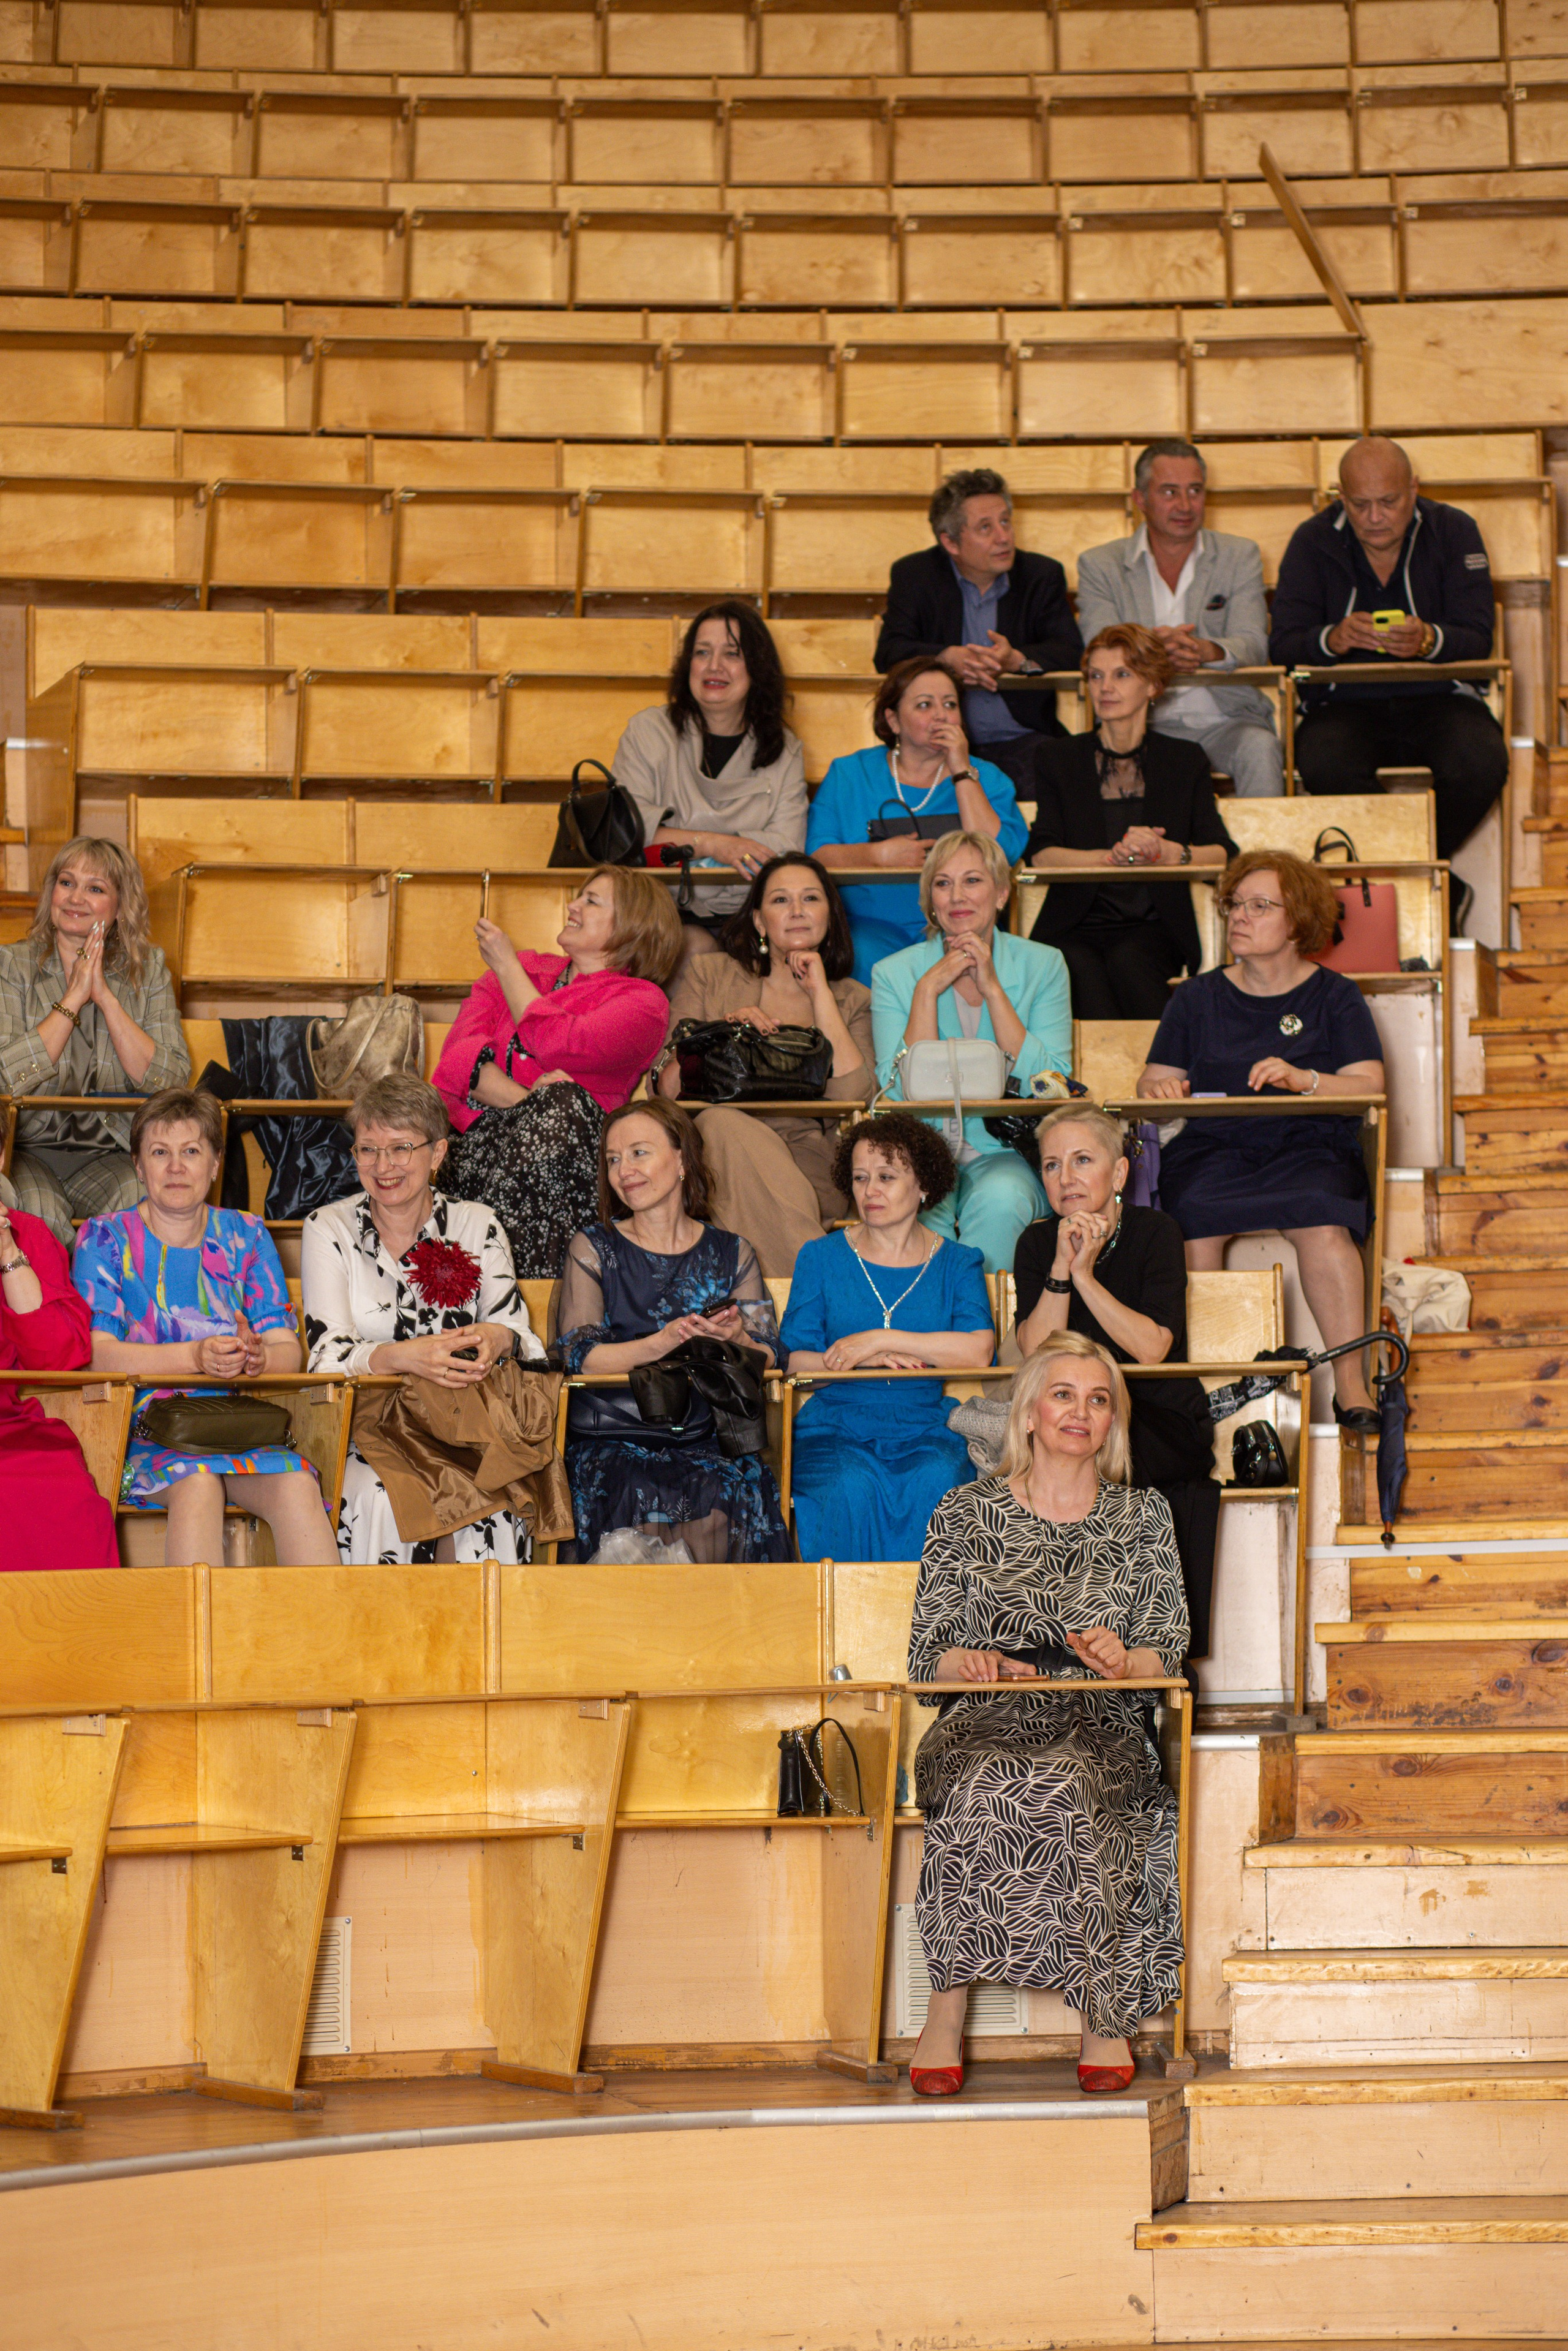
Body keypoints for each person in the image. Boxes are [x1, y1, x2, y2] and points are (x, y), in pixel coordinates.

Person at [906, 1335, 1186, 2097]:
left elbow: (1168, 1653)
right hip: (985, 1716)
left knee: (1072, 1779)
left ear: (1111, 1424)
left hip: (1101, 1716)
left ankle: (1106, 2015)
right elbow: (926, 1656)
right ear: (1027, 1413)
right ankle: (943, 2013)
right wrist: (966, 1660)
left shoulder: (1143, 1515)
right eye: (1063, 1394)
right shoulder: (964, 1513)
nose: (1080, 1411)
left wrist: (1124, 1661)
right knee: (984, 1780)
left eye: (1098, 1400)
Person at [1137, 850, 1386, 1430]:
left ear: (1297, 920)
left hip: (1309, 1145)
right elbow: (1155, 1077)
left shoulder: (1334, 995)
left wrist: (1307, 1081)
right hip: (1213, 1148)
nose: (1238, 917)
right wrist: (1161, 1089)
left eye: (1258, 906)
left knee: (1324, 1219)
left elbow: (1370, 1085)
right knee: (1190, 1215)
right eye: (1233, 905)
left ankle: (1352, 1385)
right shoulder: (1194, 998)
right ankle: (1207, 1382)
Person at [72, 1088, 338, 1567]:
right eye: (160, 1153)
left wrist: (258, 1359)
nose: (176, 1167)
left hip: (235, 1428)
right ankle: (193, 1642)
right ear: (138, 1166)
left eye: (191, 1152)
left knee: (300, 1483)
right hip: (140, 1430)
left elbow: (287, 1352)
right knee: (198, 1485)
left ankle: (322, 1638)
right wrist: (195, 1358)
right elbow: (98, 1354)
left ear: (216, 1164)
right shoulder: (104, 1236)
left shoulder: (247, 1233)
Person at [301, 1074, 549, 1564]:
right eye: (368, 1150)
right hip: (368, 1426)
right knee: (378, 1496)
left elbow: (522, 1336)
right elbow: (325, 1357)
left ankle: (480, 1638)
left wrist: (494, 1338)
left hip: (466, 1421)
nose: (383, 1166)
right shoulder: (327, 1227)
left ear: (437, 1154)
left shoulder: (478, 1223)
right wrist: (405, 1358)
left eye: (401, 1148)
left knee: (494, 1501)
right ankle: (387, 1639)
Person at [1014, 1107, 1218, 1659]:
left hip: (1156, 1415)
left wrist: (1087, 1274)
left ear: (1121, 1174)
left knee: (1122, 1467)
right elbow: (1037, 1353)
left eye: (1083, 1160)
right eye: (1052, 1166)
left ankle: (1146, 1655)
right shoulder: (1036, 1245)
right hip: (1071, 1417)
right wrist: (1062, 1267)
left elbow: (1153, 1348)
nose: (1066, 1177)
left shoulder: (1156, 1231)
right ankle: (1054, 1647)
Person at [557, 1100, 790, 1563]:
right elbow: (579, 1356)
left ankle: (710, 1633)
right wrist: (663, 1342)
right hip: (615, 1435)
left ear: (683, 1159)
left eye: (639, 1153)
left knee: (728, 1486)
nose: (624, 1170)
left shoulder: (732, 1251)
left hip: (708, 1435)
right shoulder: (594, 1247)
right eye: (613, 1159)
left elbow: (771, 1356)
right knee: (627, 1483)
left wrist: (738, 1339)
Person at [1269, 434, 1507, 870]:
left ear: (1414, 489)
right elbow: (1283, 645)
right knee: (1324, 764)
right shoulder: (1313, 540)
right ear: (1341, 496)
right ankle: (1426, 876)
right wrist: (1331, 639)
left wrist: (1429, 640)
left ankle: (1414, 867)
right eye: (1360, 505)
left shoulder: (1453, 530)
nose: (1375, 517)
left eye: (1389, 501)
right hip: (1344, 705)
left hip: (1440, 698)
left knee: (1482, 763)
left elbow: (1478, 636)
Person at [432, 865, 680, 1280]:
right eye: (579, 896)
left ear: (633, 925)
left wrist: (506, 967)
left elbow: (560, 1042)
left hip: (574, 1168)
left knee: (564, 1105)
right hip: (480, 1151)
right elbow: (457, 1062)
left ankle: (499, 1287)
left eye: (591, 901)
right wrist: (531, 1102)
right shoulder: (528, 967)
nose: (573, 905)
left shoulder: (643, 1002)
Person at [780, 1114, 994, 1564]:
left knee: (937, 1477)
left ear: (923, 1186)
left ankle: (931, 1629)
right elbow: (797, 1363)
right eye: (860, 1178)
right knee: (849, 1483)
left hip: (926, 1425)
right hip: (836, 1426)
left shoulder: (959, 1261)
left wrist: (879, 1340)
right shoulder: (820, 1256)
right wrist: (859, 1361)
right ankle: (849, 1627)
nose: (870, 1190)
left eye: (886, 1177)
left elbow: (978, 1349)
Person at [655, 855, 874, 1277]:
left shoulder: (852, 997)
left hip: (809, 1157)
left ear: (830, 914)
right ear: (758, 921)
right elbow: (667, 1086)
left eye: (810, 898)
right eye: (780, 900)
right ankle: (821, 1286)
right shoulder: (711, 974)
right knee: (722, 1126)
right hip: (712, 1151)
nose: (796, 910)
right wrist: (721, 1035)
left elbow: (851, 1095)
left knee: (734, 1145)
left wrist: (819, 992)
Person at [871, 831, 1072, 1274]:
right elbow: (896, 1094)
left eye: (972, 881)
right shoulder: (894, 973)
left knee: (1002, 1201)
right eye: (942, 884)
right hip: (919, 1151)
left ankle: (978, 1334)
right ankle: (924, 1334)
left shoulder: (1044, 964)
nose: (957, 896)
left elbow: (1052, 1083)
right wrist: (927, 991)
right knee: (913, 1211)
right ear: (930, 900)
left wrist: (993, 990)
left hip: (1006, 1151)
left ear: (1002, 893)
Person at [1026, 625, 1235, 1020]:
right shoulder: (1058, 757)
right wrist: (1112, 858)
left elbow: (1223, 852)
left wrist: (1173, 852)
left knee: (1131, 960)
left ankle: (1162, 1076)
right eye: (1096, 676)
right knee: (1078, 967)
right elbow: (1041, 854)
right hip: (1075, 924)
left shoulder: (1185, 759)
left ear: (1153, 684)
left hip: (1155, 926)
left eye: (1122, 674)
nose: (1105, 687)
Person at [0, 837, 190, 1247]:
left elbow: (170, 1081)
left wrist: (103, 996)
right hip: (26, 1150)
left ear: (120, 907)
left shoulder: (148, 970)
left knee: (143, 1200)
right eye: (67, 883)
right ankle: (55, 1311)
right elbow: (5, 1079)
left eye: (96, 888)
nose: (76, 898)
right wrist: (72, 999)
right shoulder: (11, 966)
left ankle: (115, 1309)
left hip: (113, 1149)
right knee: (36, 1212)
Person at [1076, 439, 1283, 799]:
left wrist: (1207, 650)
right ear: (1139, 499)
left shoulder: (1240, 556)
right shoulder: (1100, 565)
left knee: (1261, 749)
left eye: (1195, 491)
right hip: (1137, 722)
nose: (1185, 506)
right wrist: (1156, 651)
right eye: (1170, 492)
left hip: (1228, 720)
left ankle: (1267, 858)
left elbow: (1253, 643)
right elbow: (1099, 646)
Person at [807, 657, 1029, 984]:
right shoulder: (849, 774)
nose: (941, 715)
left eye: (950, 705)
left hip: (960, 925)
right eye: (925, 705)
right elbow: (817, 857)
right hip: (868, 928)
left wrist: (961, 769)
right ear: (893, 720)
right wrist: (878, 856)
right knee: (860, 953)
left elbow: (1001, 855)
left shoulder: (988, 778)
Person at [873, 467, 1082, 798]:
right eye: (986, 528)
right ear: (951, 542)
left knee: (1066, 779)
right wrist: (943, 658)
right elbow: (888, 652)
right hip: (934, 742)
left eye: (1006, 522)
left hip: (1023, 739)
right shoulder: (915, 576)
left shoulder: (1041, 575)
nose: (1004, 537)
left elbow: (1071, 651)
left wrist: (1018, 660)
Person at [611, 602, 807, 948]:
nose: (714, 666)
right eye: (702, 652)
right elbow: (627, 831)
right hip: (656, 914)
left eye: (732, 654)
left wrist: (678, 840)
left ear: (757, 668)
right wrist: (719, 845)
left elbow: (785, 848)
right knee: (695, 952)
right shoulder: (648, 731)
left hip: (751, 918)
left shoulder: (785, 749)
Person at [0, 1177, 119, 1571]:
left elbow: (57, 1359)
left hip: (8, 1427)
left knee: (62, 1492)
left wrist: (7, 1253)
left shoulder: (26, 1233)